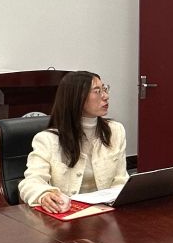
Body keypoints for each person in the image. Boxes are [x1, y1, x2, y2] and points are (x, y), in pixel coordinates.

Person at [18, 70, 128, 213]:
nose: (106, 96)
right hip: (67, 215)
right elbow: (31, 182)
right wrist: (44, 195)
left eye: (105, 89)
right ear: (77, 97)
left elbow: (120, 181)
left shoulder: (115, 131)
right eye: (97, 91)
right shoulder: (48, 140)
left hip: (106, 213)